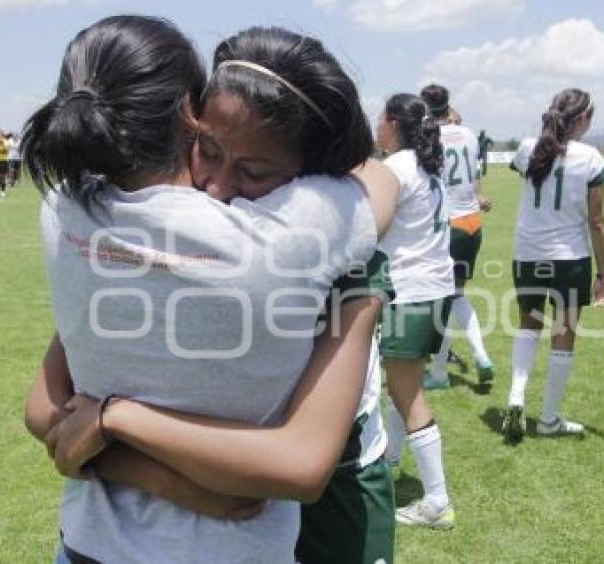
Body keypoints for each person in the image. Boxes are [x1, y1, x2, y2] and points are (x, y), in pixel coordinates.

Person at [22, 17, 399, 563]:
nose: (219, 187)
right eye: (209, 149)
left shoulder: (64, 211)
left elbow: (45, 409)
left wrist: (119, 429)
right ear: (187, 114)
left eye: (253, 169)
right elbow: (379, 178)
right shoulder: (288, 237)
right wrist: (179, 479)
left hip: (84, 547)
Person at [502, 88, 604, 442]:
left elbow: (531, 177)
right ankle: (548, 419)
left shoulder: (527, 147)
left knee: (528, 326)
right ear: (581, 120)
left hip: (528, 253)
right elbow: (596, 221)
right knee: (563, 338)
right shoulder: (591, 157)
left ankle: (516, 395)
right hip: (569, 258)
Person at [375, 93, 457, 529]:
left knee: (408, 393)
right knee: (400, 380)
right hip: (437, 289)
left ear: (391, 122)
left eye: (378, 119)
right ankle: (390, 456)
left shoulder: (396, 168)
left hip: (410, 291)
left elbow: (371, 228)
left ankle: (436, 501)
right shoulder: (426, 166)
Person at [420, 84, 494, 389]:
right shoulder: (469, 134)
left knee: (441, 299)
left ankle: (454, 364)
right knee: (455, 296)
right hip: (471, 223)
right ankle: (454, 365)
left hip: (445, 225)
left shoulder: (425, 135)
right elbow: (475, 177)